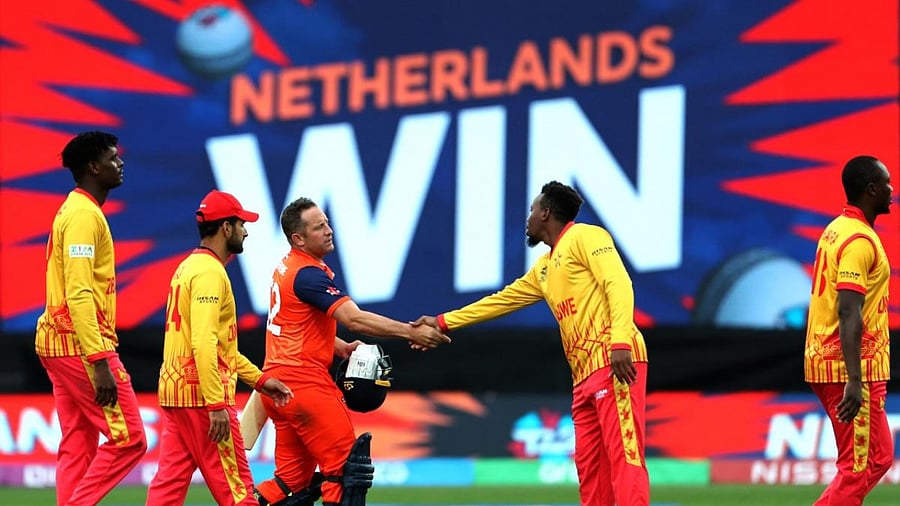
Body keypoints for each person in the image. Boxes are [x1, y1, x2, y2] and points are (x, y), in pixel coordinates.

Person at [414, 181, 650, 506]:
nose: (528, 218)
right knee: (590, 467)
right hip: (583, 376)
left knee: (624, 455)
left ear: (546, 213)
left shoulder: (587, 236)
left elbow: (618, 282)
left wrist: (621, 340)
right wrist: (442, 322)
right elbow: (501, 301)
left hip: (614, 362)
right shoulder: (544, 268)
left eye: (532, 211)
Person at [253, 197, 451, 506]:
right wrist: (410, 331)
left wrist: (340, 347)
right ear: (299, 239)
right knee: (345, 472)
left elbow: (292, 328)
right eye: (319, 227)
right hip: (305, 385)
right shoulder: (308, 275)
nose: (329, 230)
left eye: (327, 223)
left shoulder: (287, 268)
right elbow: (353, 318)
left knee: (291, 483)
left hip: (277, 387)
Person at [146, 190, 294, 506]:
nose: (246, 230)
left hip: (178, 393)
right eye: (241, 223)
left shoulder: (188, 267)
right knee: (238, 491)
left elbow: (217, 347)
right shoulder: (210, 273)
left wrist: (261, 381)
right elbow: (203, 342)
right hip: (203, 397)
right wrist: (216, 405)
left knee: (167, 490)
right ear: (225, 228)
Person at [34, 131, 148, 506]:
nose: (121, 163)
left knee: (78, 444)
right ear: (93, 168)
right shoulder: (83, 215)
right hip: (79, 345)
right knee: (130, 438)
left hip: (58, 341)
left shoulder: (76, 209)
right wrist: (99, 360)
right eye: (114, 158)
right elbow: (80, 291)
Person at [804, 155, 894, 506]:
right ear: (871, 189)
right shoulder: (859, 240)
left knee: (880, 458)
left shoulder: (835, 229)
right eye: (886, 183)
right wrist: (854, 380)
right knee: (858, 467)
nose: (891, 189)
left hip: (828, 359)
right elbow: (848, 308)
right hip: (851, 368)